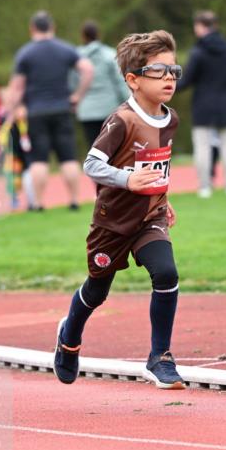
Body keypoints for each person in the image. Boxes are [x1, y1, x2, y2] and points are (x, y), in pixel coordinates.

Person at [53, 30, 185, 390]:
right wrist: (128, 180)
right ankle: (69, 337)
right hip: (113, 222)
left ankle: (160, 357)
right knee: (97, 292)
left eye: (173, 70)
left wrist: (162, 196)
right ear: (133, 79)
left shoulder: (170, 119)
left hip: (150, 217)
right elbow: (92, 164)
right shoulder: (121, 120)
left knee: (166, 273)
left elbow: (155, 164)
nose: (169, 78)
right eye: (158, 71)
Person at [6, 11, 93, 212]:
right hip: (62, 109)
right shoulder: (65, 49)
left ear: (32, 29)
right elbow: (88, 69)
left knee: (39, 160)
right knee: (68, 158)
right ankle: (74, 200)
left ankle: (38, 203)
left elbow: (17, 88)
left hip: (36, 112)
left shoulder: (25, 53)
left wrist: (12, 110)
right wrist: (78, 96)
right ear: (52, 27)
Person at [176, 11, 226, 198]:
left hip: (203, 103)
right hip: (225, 102)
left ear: (200, 27)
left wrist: (168, 87)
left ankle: (205, 186)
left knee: (202, 146)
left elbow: (187, 80)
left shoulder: (198, 52)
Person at [75, 20, 128, 148]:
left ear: (82, 36)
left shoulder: (76, 57)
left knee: (94, 147)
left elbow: (72, 82)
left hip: (86, 110)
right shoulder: (110, 54)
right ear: (98, 35)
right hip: (109, 108)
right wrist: (128, 101)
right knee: (112, 147)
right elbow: (120, 81)